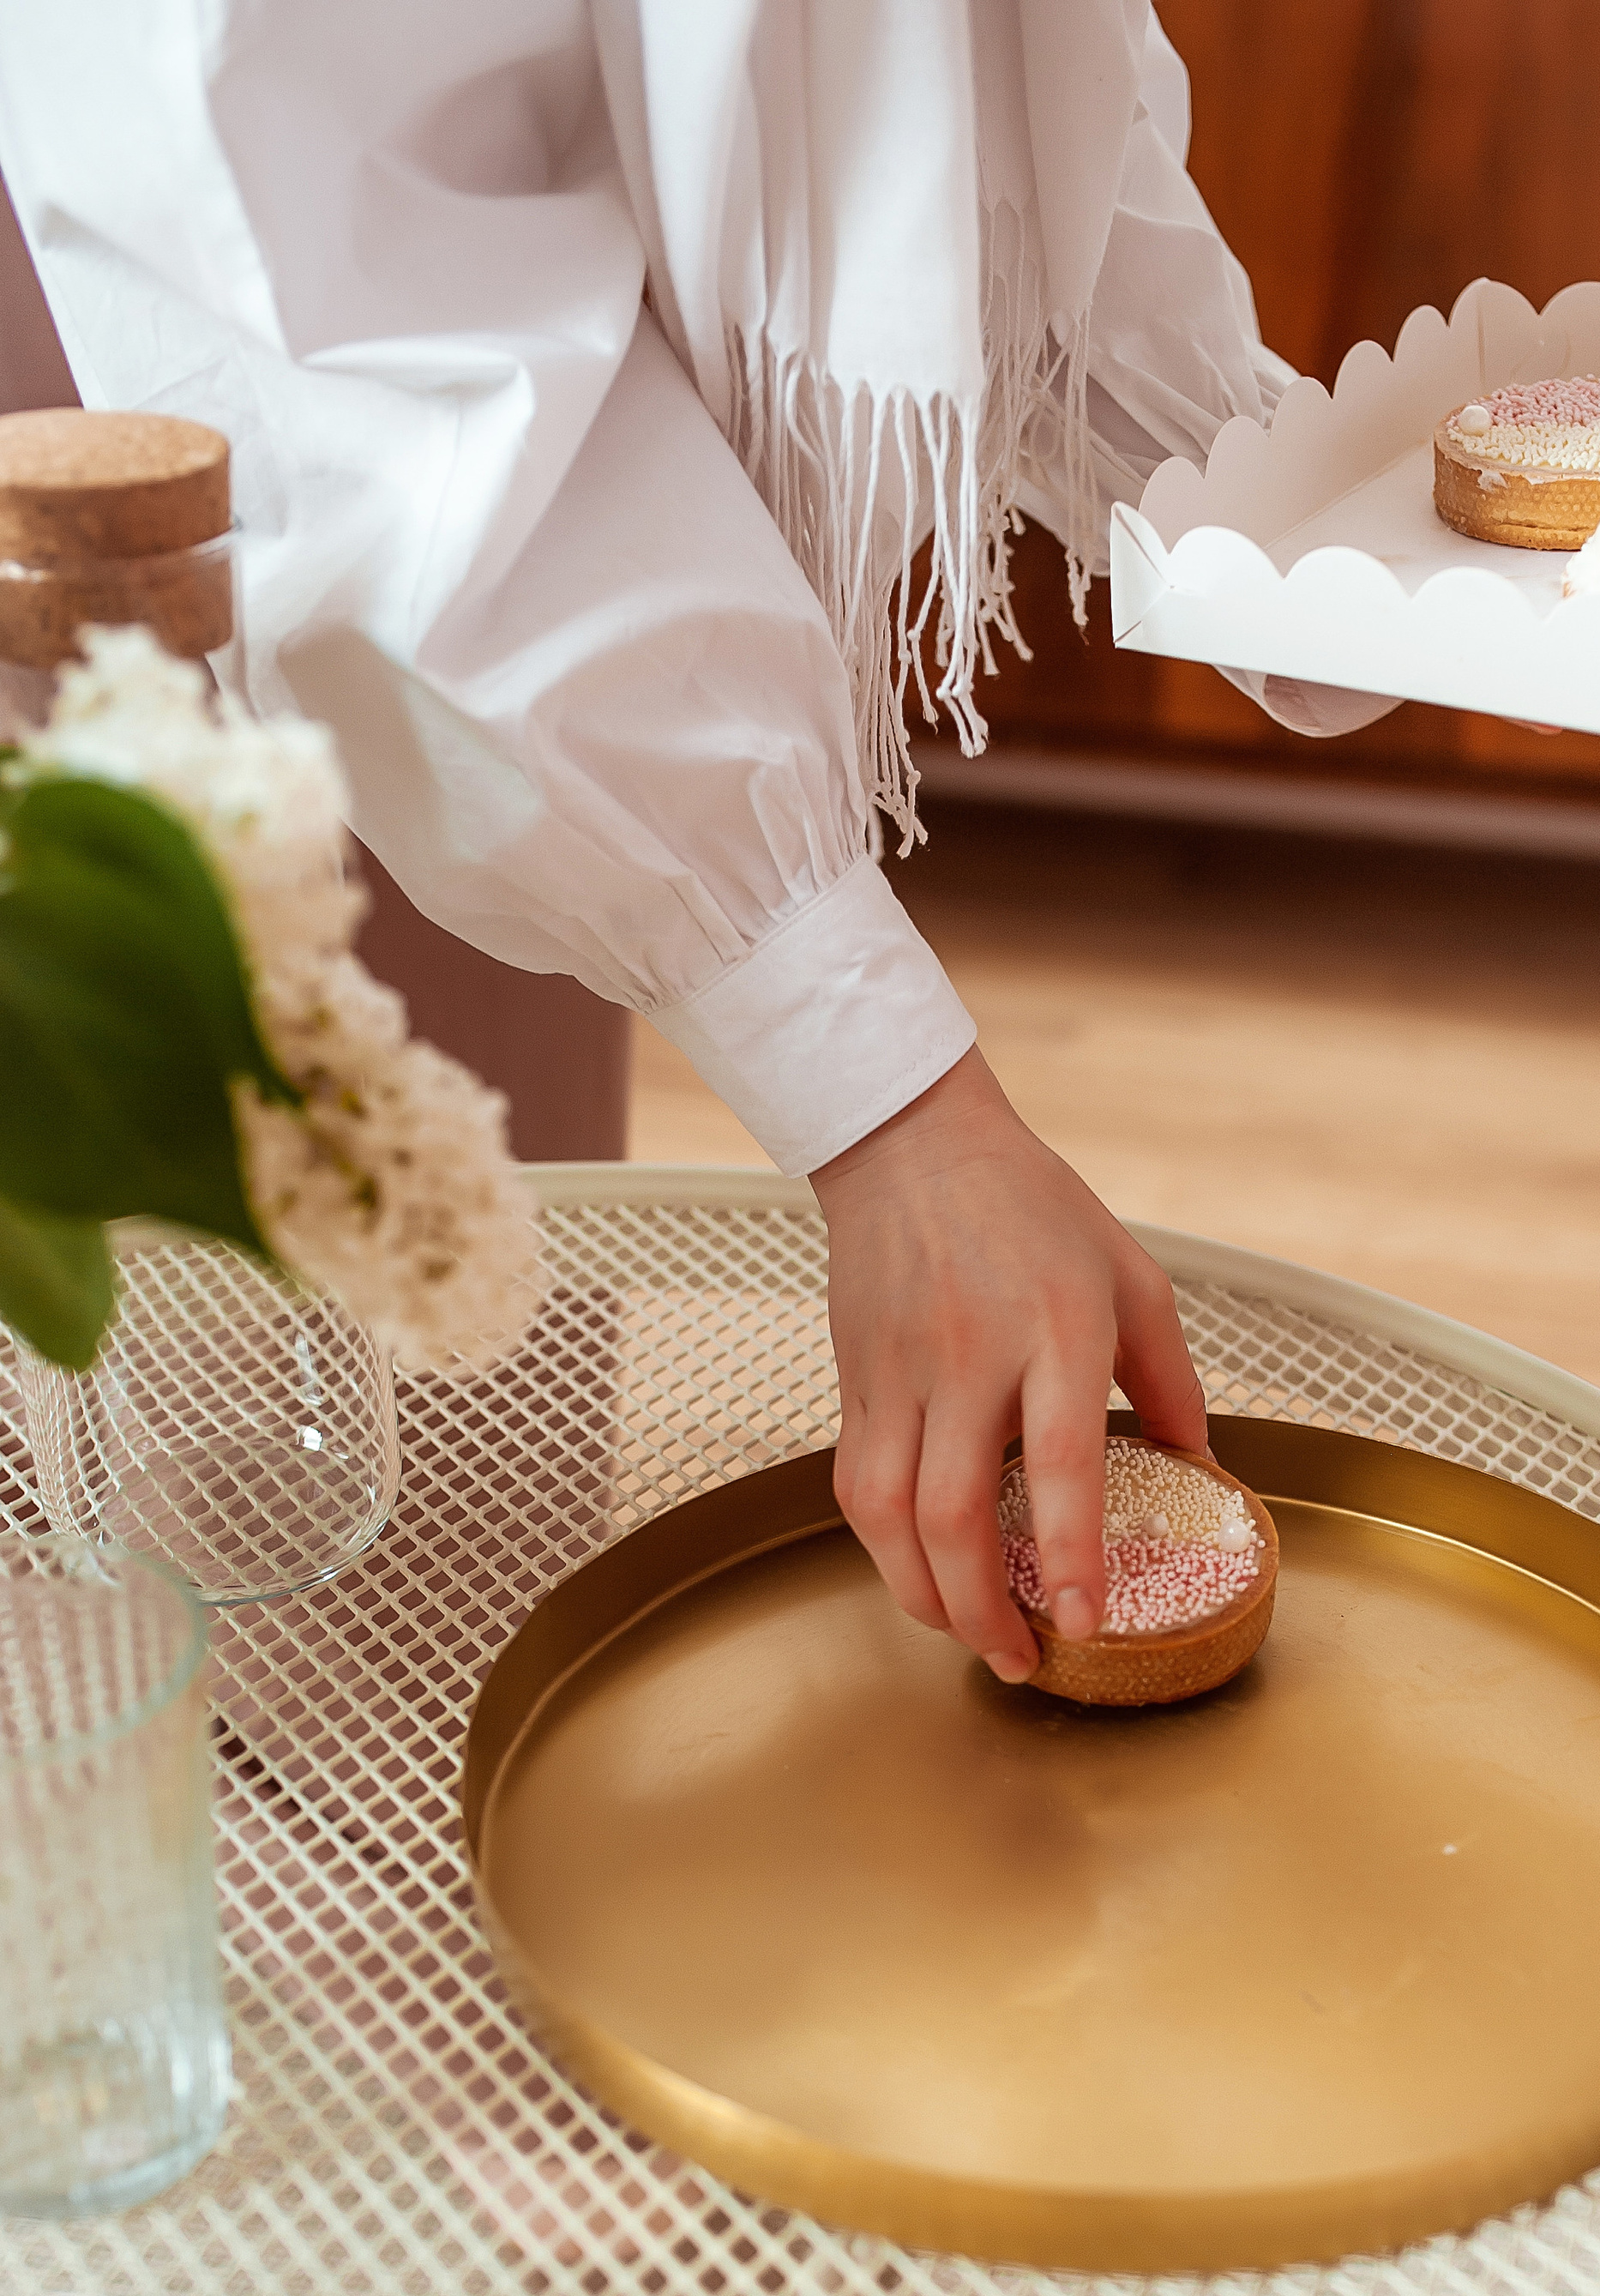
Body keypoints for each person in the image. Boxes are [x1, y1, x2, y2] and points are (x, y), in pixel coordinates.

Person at [0, 2, 1315, 1679]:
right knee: (174, 1501)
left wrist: (1257, 486)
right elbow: (312, 275)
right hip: (147, 330)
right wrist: (893, 1118)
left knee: (462, 1460)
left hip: (519, 343)